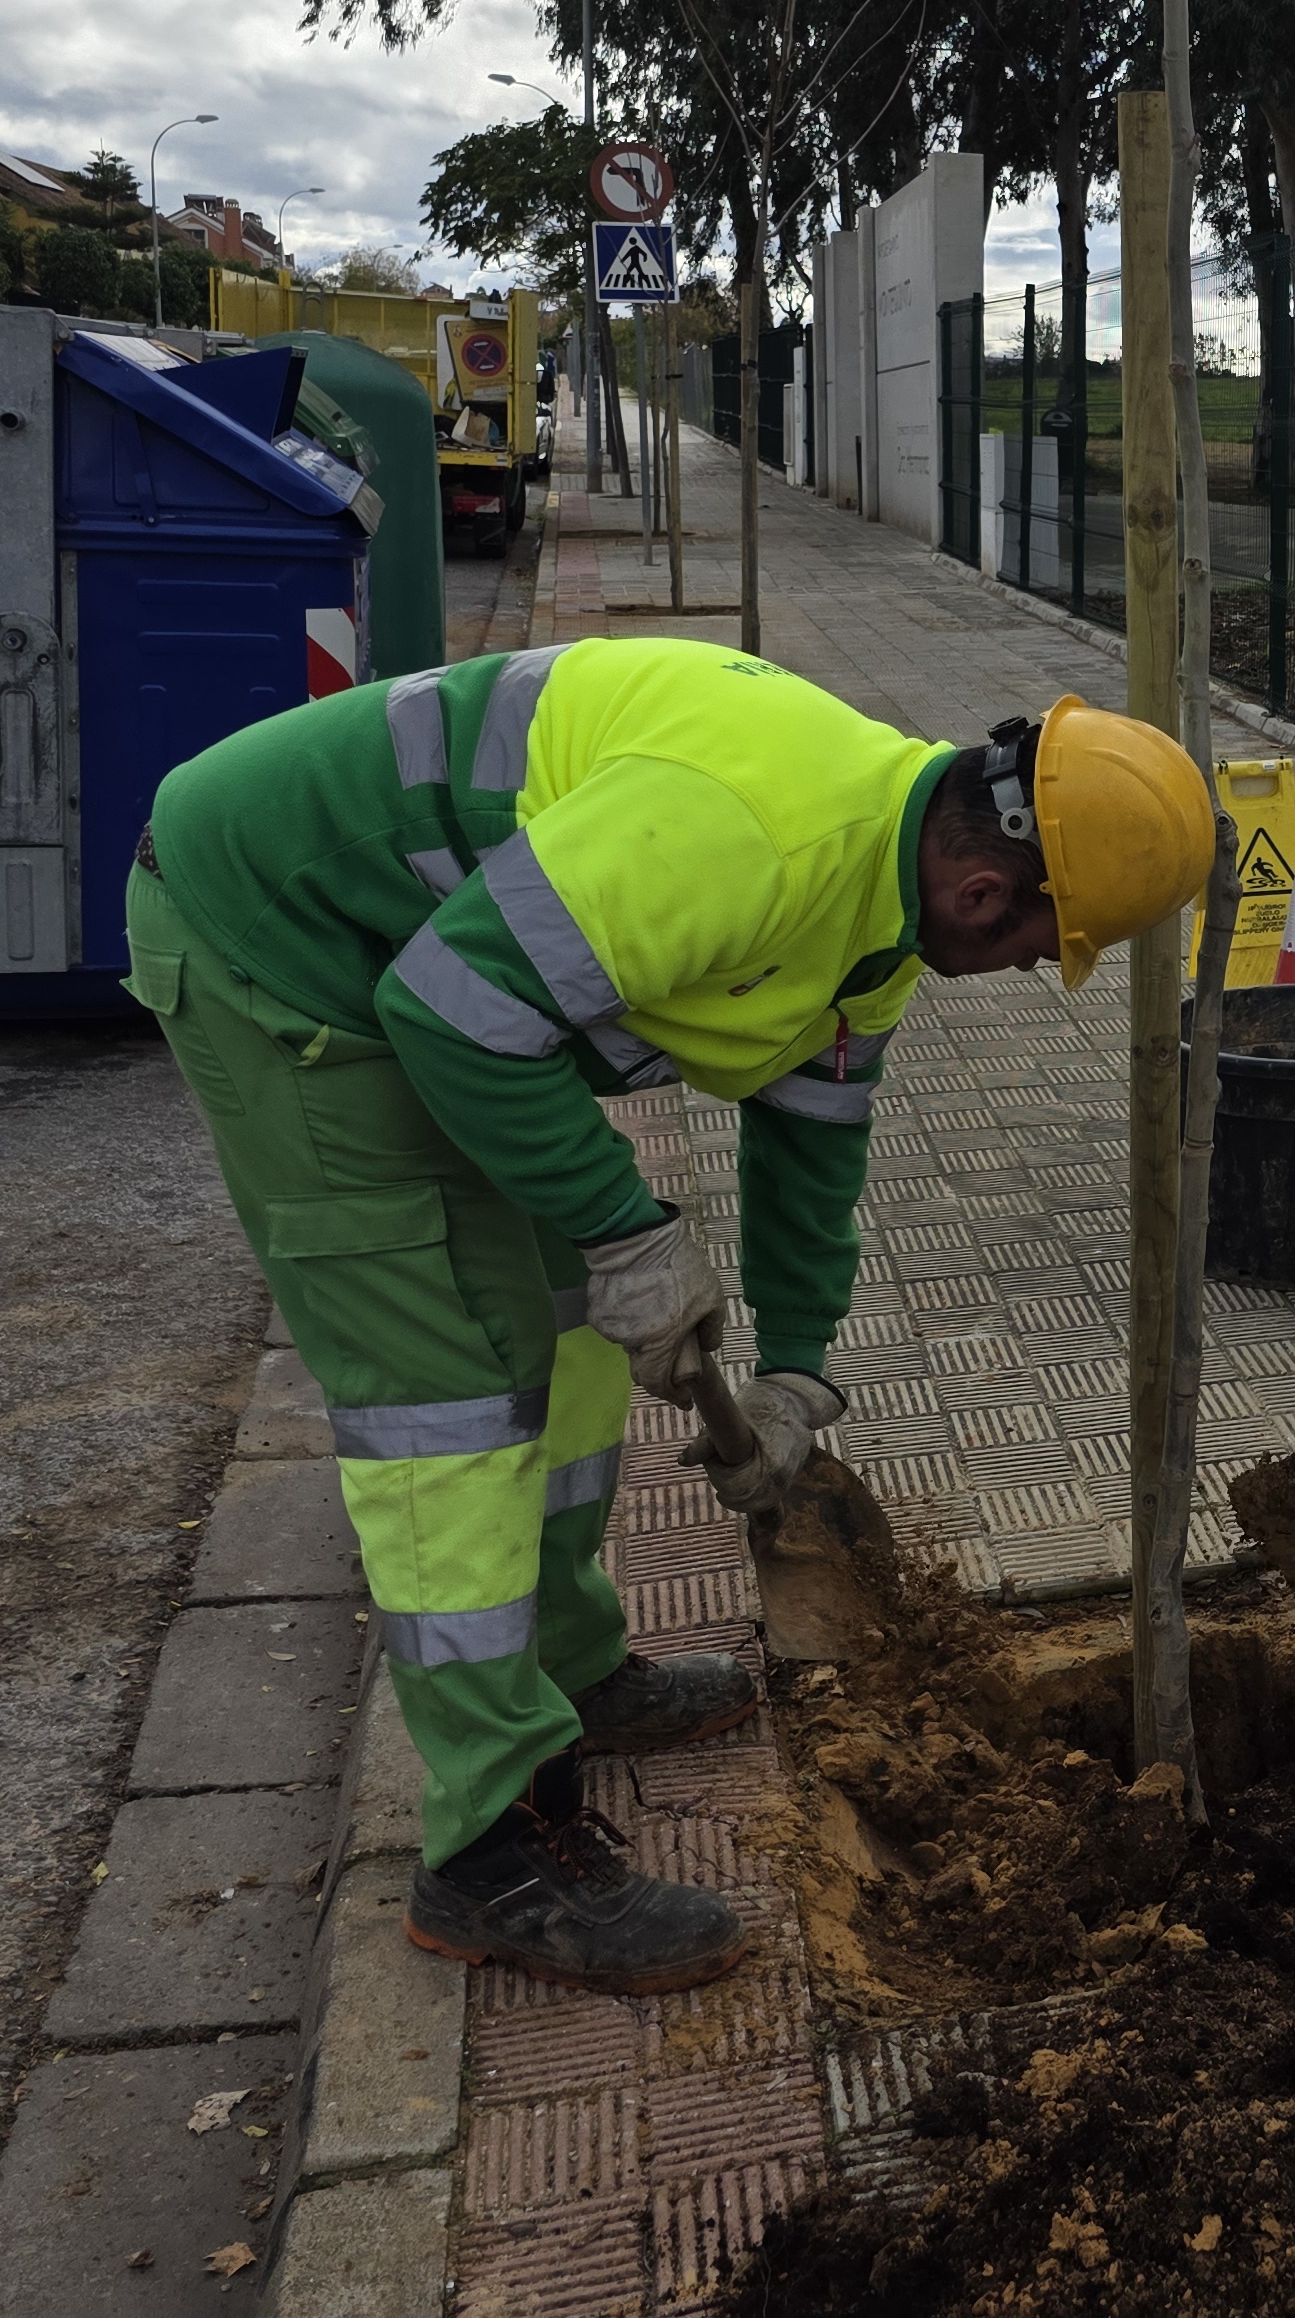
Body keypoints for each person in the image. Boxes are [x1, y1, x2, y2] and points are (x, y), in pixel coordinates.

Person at [131, 643, 1210, 1993]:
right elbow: (454, 1015)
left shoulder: (886, 905)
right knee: (451, 1398)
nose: (1031, 970)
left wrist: (798, 1375)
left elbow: (814, 1142)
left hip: (436, 976)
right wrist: (630, 1228)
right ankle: (490, 1843)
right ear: (986, 894)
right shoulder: (751, 833)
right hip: (286, 940)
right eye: (1049, 949)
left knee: (572, 1321)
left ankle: (574, 1668)